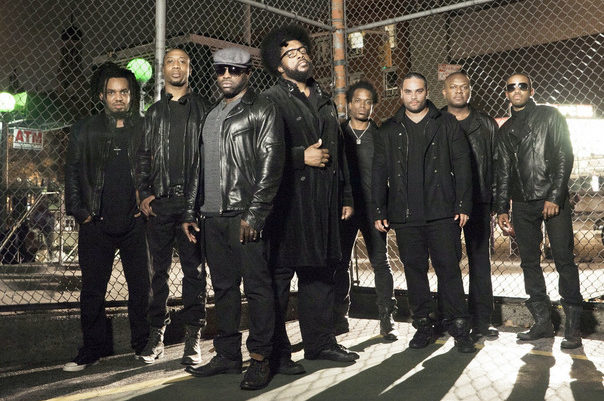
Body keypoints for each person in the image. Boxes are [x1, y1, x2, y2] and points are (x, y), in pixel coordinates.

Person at [182, 48, 284, 390]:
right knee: (223, 289)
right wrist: (191, 210)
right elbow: (198, 166)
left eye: (234, 70)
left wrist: (255, 213)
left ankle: (260, 358)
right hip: (212, 217)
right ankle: (227, 356)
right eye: (221, 70)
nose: (226, 75)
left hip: (244, 215)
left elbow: (272, 162)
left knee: (257, 288)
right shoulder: (211, 114)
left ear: (247, 74)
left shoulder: (262, 108)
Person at [260, 24, 359, 371]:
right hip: (287, 204)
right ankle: (276, 352)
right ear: (278, 64)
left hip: (324, 201)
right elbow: (259, 154)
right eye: (290, 53)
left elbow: (340, 153)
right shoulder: (270, 100)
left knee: (320, 274)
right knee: (279, 278)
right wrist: (300, 156)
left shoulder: (324, 99)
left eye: (302, 50)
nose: (300, 55)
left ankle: (320, 344)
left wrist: (346, 195)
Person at [372, 72, 476, 353]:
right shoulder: (389, 129)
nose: (414, 96)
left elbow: (463, 164)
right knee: (414, 272)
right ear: (401, 94)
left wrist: (463, 204)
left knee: (449, 269)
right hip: (405, 215)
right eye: (408, 91)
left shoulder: (446, 123)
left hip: (442, 212)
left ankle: (459, 326)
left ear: (427, 92)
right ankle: (423, 324)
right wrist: (379, 209)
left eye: (418, 91)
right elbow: (379, 172)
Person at [64, 63, 150, 371]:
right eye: (112, 92)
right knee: (92, 290)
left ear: (131, 95)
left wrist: (147, 204)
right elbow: (72, 172)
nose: (118, 98)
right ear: (102, 96)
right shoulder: (85, 129)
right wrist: (80, 212)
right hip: (96, 222)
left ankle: (143, 344)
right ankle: (92, 349)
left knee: (141, 288)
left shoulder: (144, 127)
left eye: (123, 92)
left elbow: (155, 168)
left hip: (135, 222)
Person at [495, 73, 582, 349]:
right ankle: (543, 323)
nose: (517, 90)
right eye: (511, 87)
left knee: (564, 260)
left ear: (531, 90)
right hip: (521, 204)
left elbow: (564, 155)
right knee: (529, 263)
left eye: (522, 86)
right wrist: (501, 208)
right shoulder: (505, 130)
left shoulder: (550, 116)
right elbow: (503, 172)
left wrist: (554, 195)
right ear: (506, 93)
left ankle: (573, 328)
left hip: (552, 200)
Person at [136, 49, 209, 365]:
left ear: (189, 68)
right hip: (162, 205)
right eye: (170, 62)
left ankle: (193, 338)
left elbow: (210, 157)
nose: (176, 66)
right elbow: (142, 156)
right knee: (158, 274)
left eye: (182, 61)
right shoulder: (153, 113)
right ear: (163, 68)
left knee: (194, 272)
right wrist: (144, 193)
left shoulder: (204, 109)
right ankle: (156, 337)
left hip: (192, 206)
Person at [335, 80, 398, 340]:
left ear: (373, 106)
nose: (363, 106)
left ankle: (387, 318)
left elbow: (390, 174)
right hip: (346, 206)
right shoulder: (339, 134)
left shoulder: (380, 135)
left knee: (380, 262)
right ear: (349, 104)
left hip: (374, 207)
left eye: (368, 102)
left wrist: (384, 208)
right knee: (340, 262)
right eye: (358, 101)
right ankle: (340, 316)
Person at [441, 71, 499, 340]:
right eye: (453, 87)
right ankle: (450, 317)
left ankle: (482, 320)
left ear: (470, 90)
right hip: (444, 204)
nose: (459, 91)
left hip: (478, 201)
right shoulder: (435, 121)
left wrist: (498, 204)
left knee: (480, 262)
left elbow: (497, 165)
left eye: (464, 87)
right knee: (447, 262)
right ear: (444, 91)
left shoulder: (485, 124)